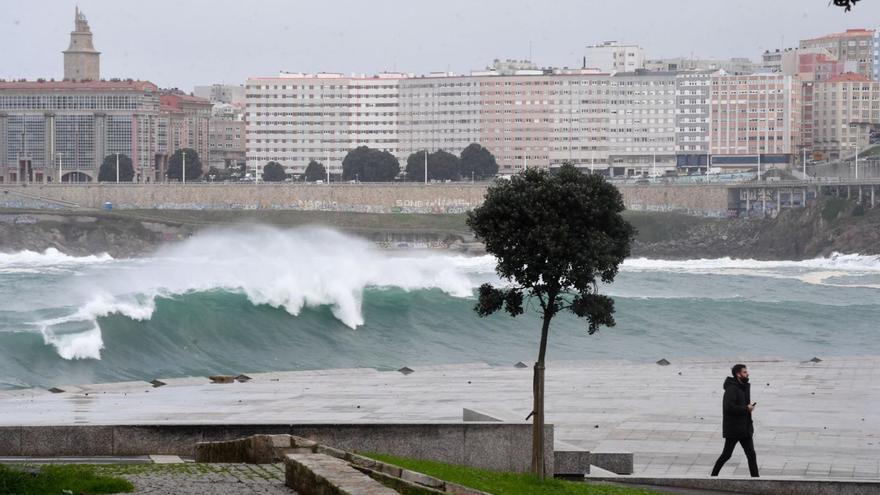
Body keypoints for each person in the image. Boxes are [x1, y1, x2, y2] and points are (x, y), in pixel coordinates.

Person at [711, 363, 759, 477]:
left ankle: (756, 480)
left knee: (751, 455)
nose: (747, 374)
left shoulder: (743, 387)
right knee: (726, 455)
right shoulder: (732, 389)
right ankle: (712, 477)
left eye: (746, 372)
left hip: (745, 428)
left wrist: (747, 408)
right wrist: (746, 408)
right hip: (734, 429)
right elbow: (729, 408)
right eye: (744, 372)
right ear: (738, 374)